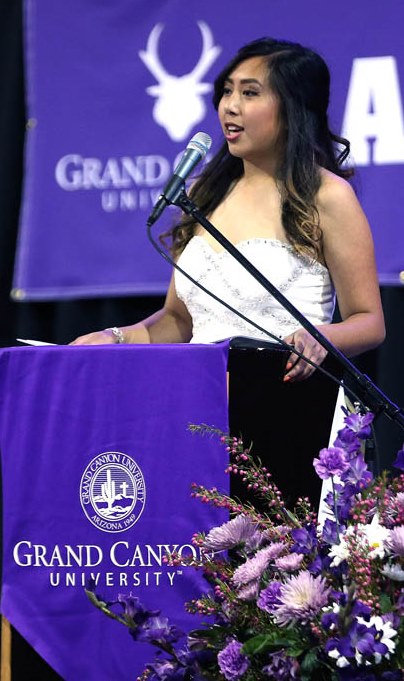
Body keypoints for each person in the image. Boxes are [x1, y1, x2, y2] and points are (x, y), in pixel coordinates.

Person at [71, 37, 385, 384]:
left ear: (293, 108)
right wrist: (115, 338)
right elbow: (178, 320)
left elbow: (368, 321)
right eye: (227, 91)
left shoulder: (326, 195)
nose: (230, 106)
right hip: (202, 395)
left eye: (250, 93)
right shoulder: (203, 193)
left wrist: (321, 337)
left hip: (287, 395)